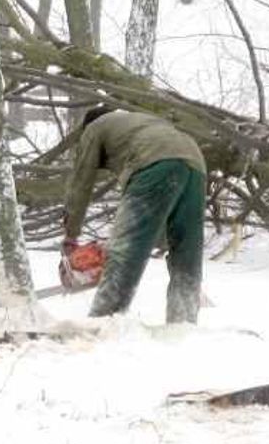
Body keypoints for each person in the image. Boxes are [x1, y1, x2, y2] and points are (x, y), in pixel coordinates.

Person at [62, 106, 206, 323]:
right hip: (194, 162)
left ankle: (104, 318)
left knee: (124, 250)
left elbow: (81, 180)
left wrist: (71, 234)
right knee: (186, 251)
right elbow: (159, 223)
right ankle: (183, 320)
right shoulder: (141, 123)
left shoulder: (95, 127)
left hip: (154, 161)